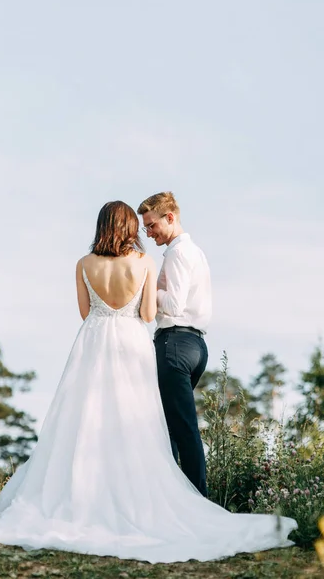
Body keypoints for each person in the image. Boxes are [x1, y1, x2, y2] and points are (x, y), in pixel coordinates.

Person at [0, 201, 296, 563]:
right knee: (135, 422)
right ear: (130, 227)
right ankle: (133, 494)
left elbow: (85, 312)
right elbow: (150, 313)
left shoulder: (83, 264)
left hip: (92, 343)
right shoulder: (144, 262)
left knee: (87, 417)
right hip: (131, 343)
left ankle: (85, 491)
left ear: (101, 226)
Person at [137, 192, 211, 496]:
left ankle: (197, 501)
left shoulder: (179, 254)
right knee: (171, 424)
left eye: (152, 225)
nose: (149, 233)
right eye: (145, 229)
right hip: (195, 346)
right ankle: (173, 497)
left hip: (175, 343)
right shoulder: (196, 252)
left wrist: (148, 287)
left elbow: (174, 304)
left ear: (170, 217)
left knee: (181, 429)